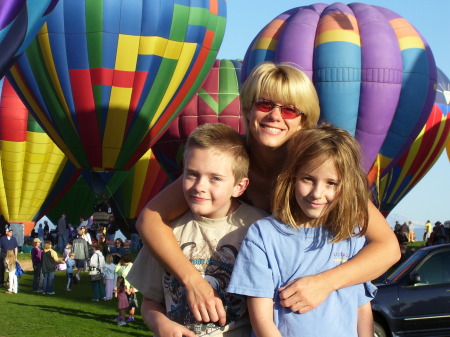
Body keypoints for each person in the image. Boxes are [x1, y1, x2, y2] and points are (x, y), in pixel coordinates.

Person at [135, 61, 400, 324]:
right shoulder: (225, 161)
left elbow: (388, 248)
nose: (275, 116)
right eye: (265, 104)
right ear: (248, 109)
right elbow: (150, 219)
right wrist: (193, 280)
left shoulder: (316, 172)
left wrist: (325, 283)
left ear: (304, 120)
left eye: (289, 110)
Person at [227, 124, 376, 336]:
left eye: (331, 183)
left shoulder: (352, 236)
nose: (317, 193)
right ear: (292, 176)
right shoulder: (264, 235)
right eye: (308, 179)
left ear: (346, 186)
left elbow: (362, 309)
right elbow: (261, 319)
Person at [127, 123, 268, 336]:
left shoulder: (259, 228)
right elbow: (150, 302)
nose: (200, 186)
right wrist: (160, 324)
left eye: (215, 178)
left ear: (239, 186)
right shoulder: (164, 232)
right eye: (192, 174)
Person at [115, 253, 137, 323]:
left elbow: (135, 278)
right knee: (121, 302)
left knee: (131, 302)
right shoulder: (123, 266)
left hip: (129, 287)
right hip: (122, 286)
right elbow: (116, 271)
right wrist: (119, 264)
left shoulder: (132, 267)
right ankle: (121, 315)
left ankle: (131, 316)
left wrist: (133, 288)